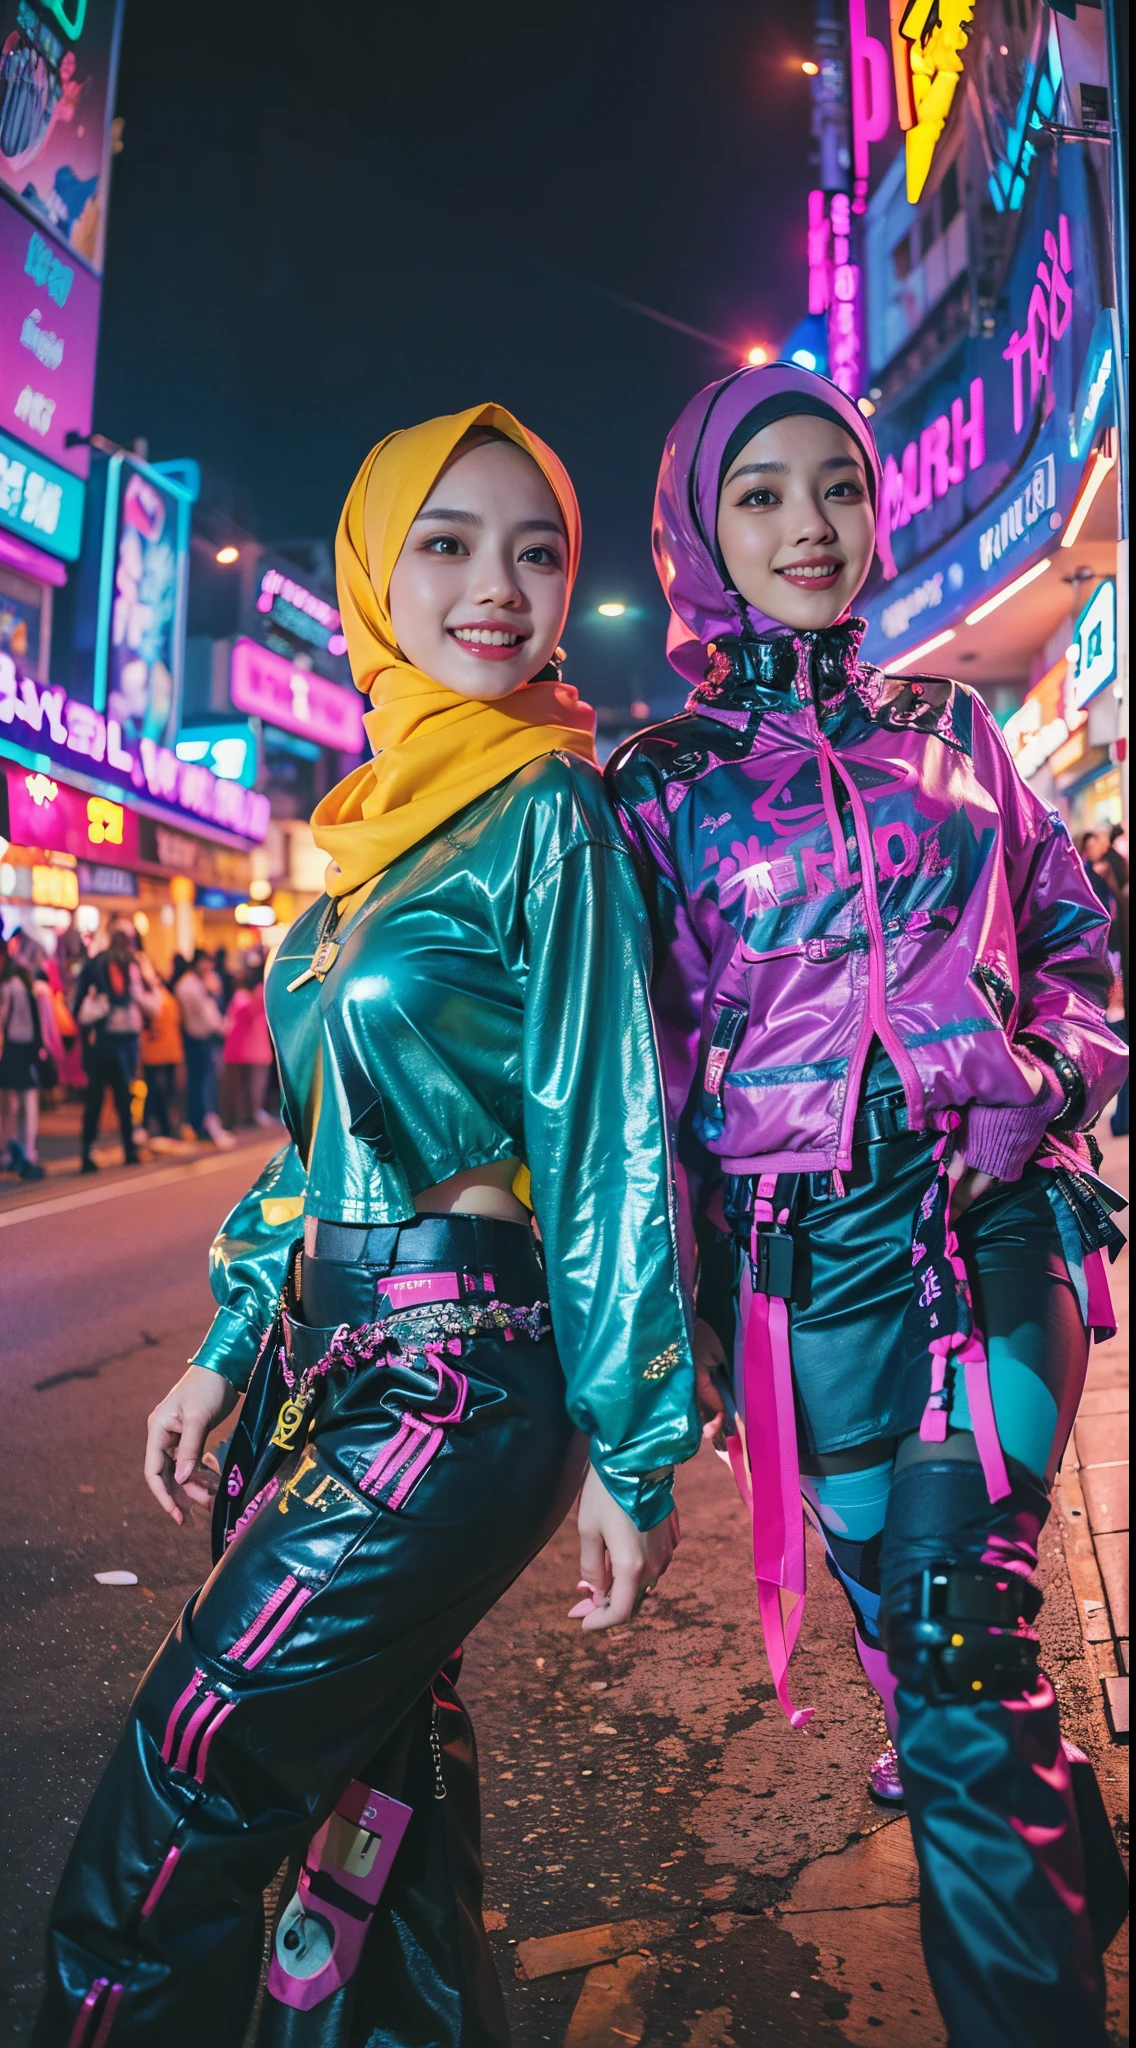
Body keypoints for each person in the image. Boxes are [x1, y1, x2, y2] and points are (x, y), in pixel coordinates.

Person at [35, 404, 700, 2048]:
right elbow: (310, 1143)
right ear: (372, 572)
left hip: (464, 1384)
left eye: (538, 548)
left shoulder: (550, 808)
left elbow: (605, 1126)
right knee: (365, 1833)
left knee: (186, 1786)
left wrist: (636, 1443)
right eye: (450, 542)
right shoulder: (353, 844)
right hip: (327, 1365)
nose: (501, 585)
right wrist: (223, 1345)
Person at [606, 362, 1129, 2046]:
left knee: (965, 1631)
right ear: (699, 529)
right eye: (760, 494)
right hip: (800, 1269)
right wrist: (659, 1348)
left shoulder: (955, 731)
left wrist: (1040, 1081)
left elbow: (1078, 954)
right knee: (933, 1658)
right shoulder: (655, 786)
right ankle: (1069, 1883)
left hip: (991, 1235)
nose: (807, 525)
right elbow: (638, 1088)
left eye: (835, 484)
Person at [70, 921, 156, 1173]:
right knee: (110, 1096)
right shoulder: (120, 964)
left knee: (117, 1096)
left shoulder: (124, 963)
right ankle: (104, 1150)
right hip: (109, 1039)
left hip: (113, 1039)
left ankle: (117, 1149)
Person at [0, 941, 60, 1179]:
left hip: (14, 1050)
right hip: (29, 1048)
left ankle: (15, 1153)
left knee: (11, 1105)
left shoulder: (8, 987)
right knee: (21, 1104)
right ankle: (24, 1152)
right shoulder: (24, 983)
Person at [173, 948, 235, 1148]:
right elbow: (204, 1014)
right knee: (203, 1084)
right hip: (197, 1039)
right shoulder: (189, 985)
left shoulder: (200, 982)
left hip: (203, 1038)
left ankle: (202, 1124)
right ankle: (203, 1124)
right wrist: (220, 1026)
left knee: (203, 1082)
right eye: (204, 962)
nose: (208, 967)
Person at [220, 950, 277, 1127]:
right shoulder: (254, 996)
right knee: (252, 1085)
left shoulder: (241, 997)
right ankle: (251, 1114)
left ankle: (248, 1114)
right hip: (252, 1050)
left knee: (246, 1086)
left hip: (244, 1049)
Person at [139, 955, 184, 1140]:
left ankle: (164, 1126)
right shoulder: (145, 994)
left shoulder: (161, 992)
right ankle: (153, 1126)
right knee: (155, 1090)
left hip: (169, 1049)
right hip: (153, 1050)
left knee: (165, 1091)